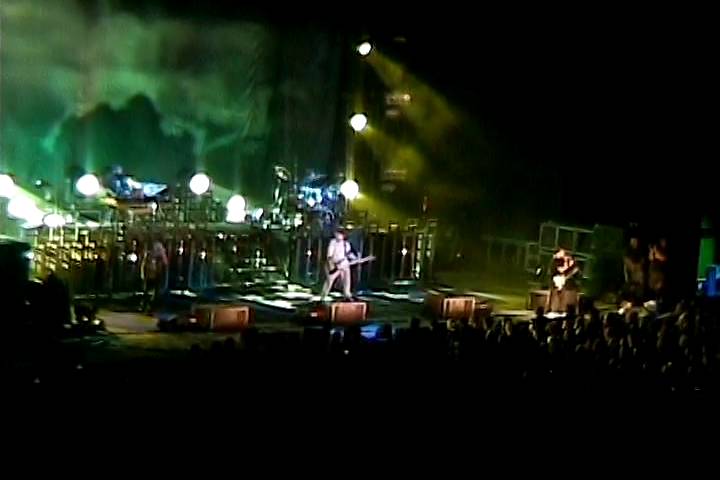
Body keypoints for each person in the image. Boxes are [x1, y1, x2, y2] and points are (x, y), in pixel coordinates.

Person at [320, 228, 356, 301]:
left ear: (343, 235)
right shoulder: (333, 242)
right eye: (336, 233)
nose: (337, 235)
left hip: (344, 264)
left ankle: (347, 294)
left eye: (339, 234)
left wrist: (355, 258)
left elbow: (348, 254)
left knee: (346, 280)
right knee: (330, 281)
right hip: (335, 264)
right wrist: (332, 265)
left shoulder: (346, 244)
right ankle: (323, 297)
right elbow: (329, 255)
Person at [547, 248, 579, 313]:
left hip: (566, 283)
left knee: (564, 295)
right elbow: (555, 270)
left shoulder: (569, 260)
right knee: (555, 294)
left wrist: (566, 276)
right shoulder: (555, 261)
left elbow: (575, 269)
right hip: (558, 280)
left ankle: (563, 309)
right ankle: (552, 308)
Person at [141, 240, 168, 312]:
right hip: (153, 274)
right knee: (152, 291)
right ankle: (149, 306)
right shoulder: (151, 255)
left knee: (152, 290)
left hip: (154, 274)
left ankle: (149, 306)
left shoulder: (152, 255)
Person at [623, 237, 646, 303]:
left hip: (638, 271)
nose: (635, 243)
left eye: (636, 241)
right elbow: (626, 260)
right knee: (630, 285)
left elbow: (642, 261)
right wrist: (632, 266)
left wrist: (637, 267)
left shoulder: (640, 251)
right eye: (633, 241)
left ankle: (638, 299)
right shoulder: (627, 251)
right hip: (631, 271)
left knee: (639, 284)